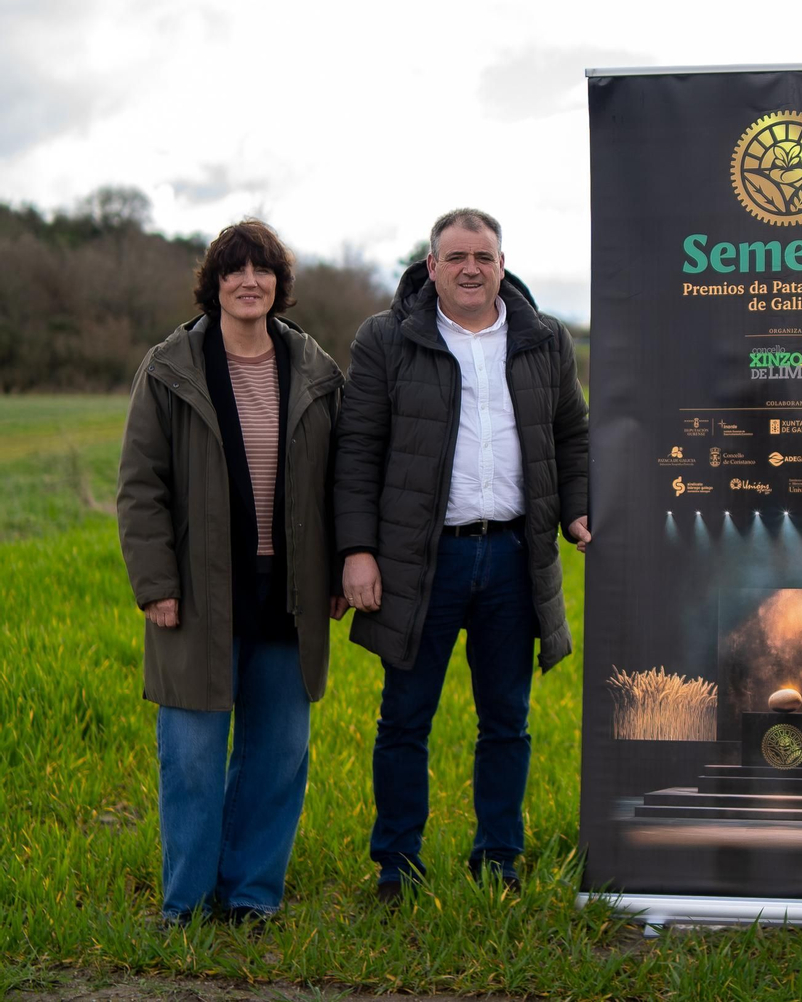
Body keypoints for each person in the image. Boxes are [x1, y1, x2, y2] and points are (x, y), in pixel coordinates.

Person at [335, 207, 590, 903]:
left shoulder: (545, 340)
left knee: (506, 719)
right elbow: (355, 450)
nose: (470, 268)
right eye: (456, 257)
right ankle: (396, 864)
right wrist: (357, 550)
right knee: (405, 717)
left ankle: (498, 857)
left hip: (513, 555)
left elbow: (572, 435)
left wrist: (577, 510)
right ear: (431, 266)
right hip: (421, 561)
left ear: (502, 265)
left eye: (483, 256)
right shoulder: (386, 340)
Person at [116, 220, 346, 924]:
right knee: (190, 759)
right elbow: (140, 485)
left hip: (291, 592)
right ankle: (185, 903)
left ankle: (250, 897)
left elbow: (340, 483)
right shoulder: (169, 367)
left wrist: (337, 572)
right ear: (214, 283)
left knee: (278, 757)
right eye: (233, 270)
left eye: (263, 270)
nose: (249, 281)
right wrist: (156, 584)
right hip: (197, 591)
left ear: (280, 284)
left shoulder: (316, 370)